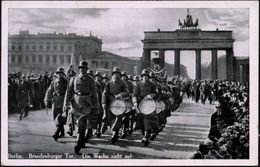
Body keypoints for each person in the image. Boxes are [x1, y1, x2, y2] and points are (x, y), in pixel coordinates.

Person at [63, 60, 100, 154]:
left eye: (84, 68)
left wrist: (96, 107)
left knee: (82, 121)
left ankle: (79, 141)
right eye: (81, 68)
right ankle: (81, 139)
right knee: (78, 122)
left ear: (86, 69)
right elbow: (69, 92)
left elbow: (95, 94)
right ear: (79, 69)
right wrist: (66, 104)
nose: (82, 70)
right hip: (76, 102)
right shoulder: (74, 79)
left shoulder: (91, 79)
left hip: (87, 102)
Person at [101, 67, 129, 144]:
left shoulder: (123, 83)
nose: (116, 75)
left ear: (119, 75)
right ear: (112, 74)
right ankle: (110, 128)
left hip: (119, 103)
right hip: (110, 102)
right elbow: (104, 93)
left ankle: (115, 132)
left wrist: (120, 95)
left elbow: (127, 92)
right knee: (110, 117)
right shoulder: (109, 83)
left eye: (118, 74)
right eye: (114, 74)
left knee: (118, 117)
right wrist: (103, 103)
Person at [132, 69, 159, 146]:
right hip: (140, 104)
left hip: (150, 105)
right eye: (144, 76)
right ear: (142, 77)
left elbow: (157, 95)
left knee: (148, 120)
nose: (145, 77)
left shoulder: (152, 85)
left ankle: (147, 136)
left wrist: (151, 95)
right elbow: (134, 95)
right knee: (141, 121)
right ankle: (145, 135)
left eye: (147, 76)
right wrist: (135, 102)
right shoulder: (138, 85)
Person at [44, 67, 68, 141]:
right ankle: (62, 131)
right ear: (57, 74)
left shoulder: (66, 82)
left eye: (61, 73)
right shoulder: (54, 81)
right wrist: (46, 99)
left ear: (63, 74)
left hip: (63, 100)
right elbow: (49, 90)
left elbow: (69, 92)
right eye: (58, 73)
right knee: (55, 116)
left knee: (60, 116)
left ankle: (56, 132)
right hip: (55, 100)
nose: (60, 75)